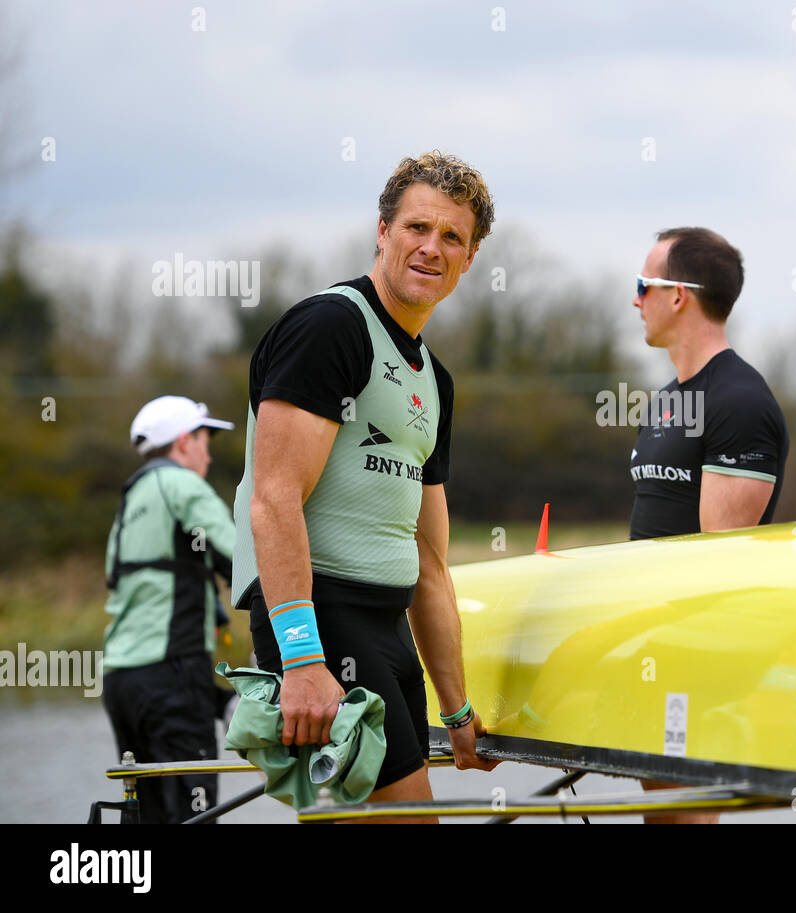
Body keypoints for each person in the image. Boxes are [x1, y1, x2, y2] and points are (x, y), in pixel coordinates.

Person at [230, 151, 499, 823]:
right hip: (321, 617)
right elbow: (273, 499)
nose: (431, 248)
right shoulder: (332, 327)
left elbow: (432, 566)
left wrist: (458, 708)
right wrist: (301, 659)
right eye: (417, 227)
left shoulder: (435, 381)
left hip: (386, 626)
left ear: (468, 261)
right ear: (382, 230)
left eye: (452, 238)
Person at [628, 227, 790, 822]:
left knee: (684, 818)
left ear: (679, 295)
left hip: (693, 658)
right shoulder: (666, 400)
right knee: (662, 817)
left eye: (643, 285)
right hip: (649, 647)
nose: (635, 299)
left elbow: (719, 564)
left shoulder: (740, 402)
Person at [103, 395, 236, 823]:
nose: (209, 454)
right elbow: (239, 560)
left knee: (149, 813)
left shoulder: (130, 501)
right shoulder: (182, 485)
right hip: (173, 674)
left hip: (122, 683)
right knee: (193, 813)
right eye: (204, 439)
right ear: (183, 443)